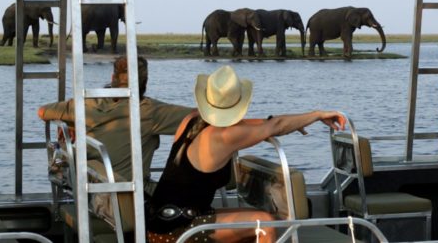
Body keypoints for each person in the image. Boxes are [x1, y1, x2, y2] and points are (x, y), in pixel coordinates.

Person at [146, 65, 346, 243]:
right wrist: (317, 114)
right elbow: (274, 126)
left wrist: (295, 122)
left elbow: (263, 124)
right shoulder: (224, 135)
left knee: (254, 216)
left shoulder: (190, 120)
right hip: (176, 232)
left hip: (161, 221)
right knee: (265, 223)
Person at [38, 56, 192, 194]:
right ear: (145, 82)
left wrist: (70, 122)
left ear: (113, 77)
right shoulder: (149, 111)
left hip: (93, 194)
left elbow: (43, 111)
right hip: (131, 195)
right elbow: (201, 118)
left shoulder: (88, 103)